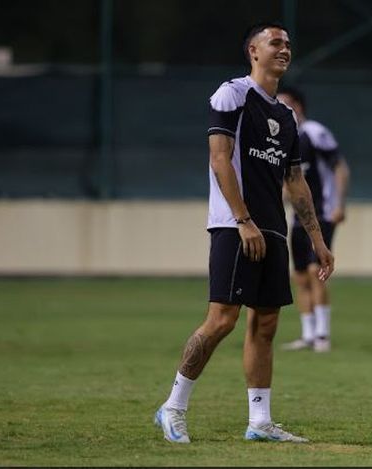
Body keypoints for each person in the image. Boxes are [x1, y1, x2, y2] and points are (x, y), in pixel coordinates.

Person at [153, 22, 334, 444]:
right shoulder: (233, 94)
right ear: (254, 50)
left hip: (272, 229)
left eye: (288, 43)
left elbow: (295, 182)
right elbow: (220, 160)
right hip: (235, 226)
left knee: (266, 323)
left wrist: (317, 239)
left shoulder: (287, 116)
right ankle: (173, 407)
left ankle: (259, 422)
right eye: (276, 42)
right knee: (222, 319)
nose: (284, 49)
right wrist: (242, 219)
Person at [278, 87, 349, 353]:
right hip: (299, 218)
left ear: (299, 106)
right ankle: (307, 335)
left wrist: (340, 205)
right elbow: (291, 183)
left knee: (314, 272)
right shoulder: (285, 140)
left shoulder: (315, 132)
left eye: (287, 104)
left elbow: (340, 168)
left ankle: (322, 335)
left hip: (323, 213)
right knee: (299, 276)